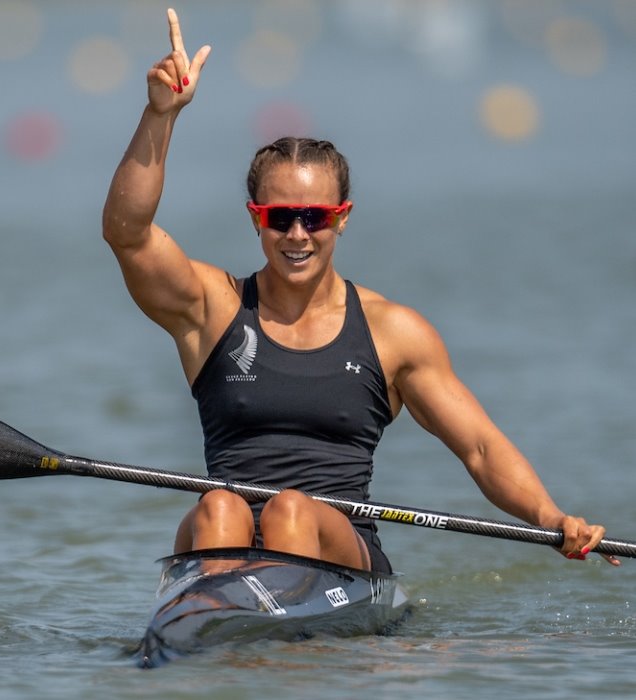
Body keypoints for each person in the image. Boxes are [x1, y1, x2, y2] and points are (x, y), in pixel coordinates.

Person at [102, 8, 619, 572]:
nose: (297, 235)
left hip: (341, 554)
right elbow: (127, 235)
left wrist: (551, 516)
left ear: (342, 217)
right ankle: (222, 613)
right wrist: (161, 114)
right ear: (256, 218)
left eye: (315, 217)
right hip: (224, 537)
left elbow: (479, 448)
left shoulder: (393, 332)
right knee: (219, 506)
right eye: (280, 217)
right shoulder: (213, 308)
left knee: (291, 511)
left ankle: (259, 614)